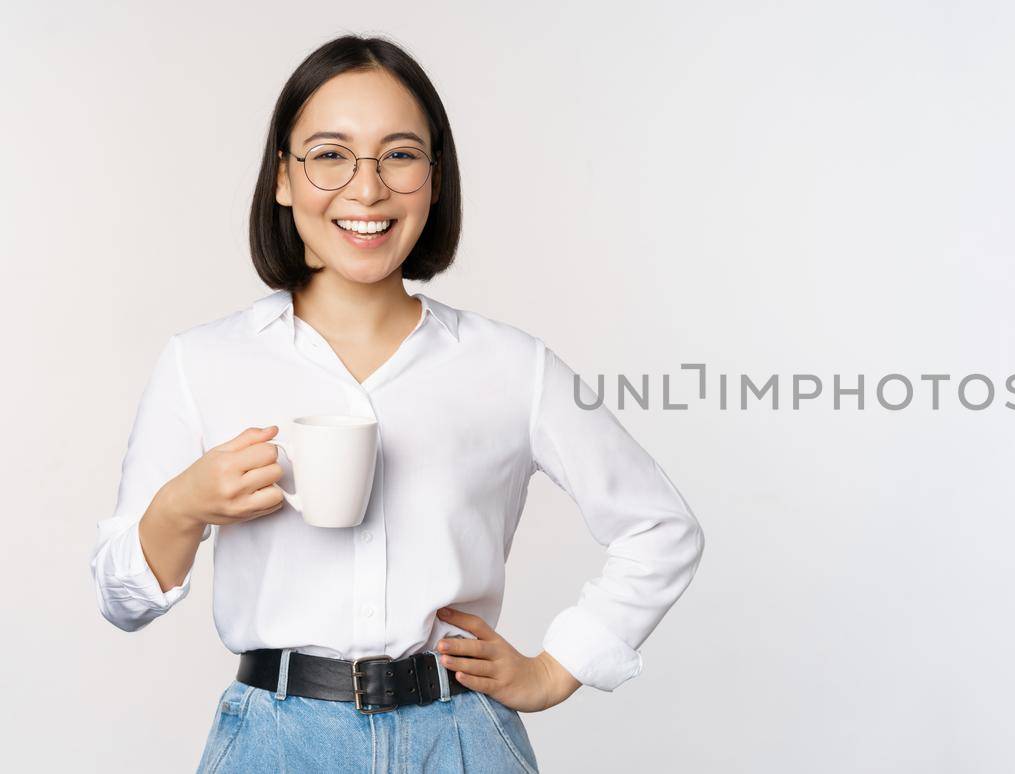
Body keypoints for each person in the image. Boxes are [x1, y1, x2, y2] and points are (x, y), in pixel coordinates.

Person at [88, 34, 706, 773]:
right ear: (283, 176)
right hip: (275, 745)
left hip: (463, 739)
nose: (368, 188)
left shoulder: (510, 366)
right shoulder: (204, 362)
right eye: (329, 154)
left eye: (400, 155)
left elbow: (660, 527)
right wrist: (182, 507)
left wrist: (556, 667)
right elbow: (121, 600)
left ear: (435, 178)